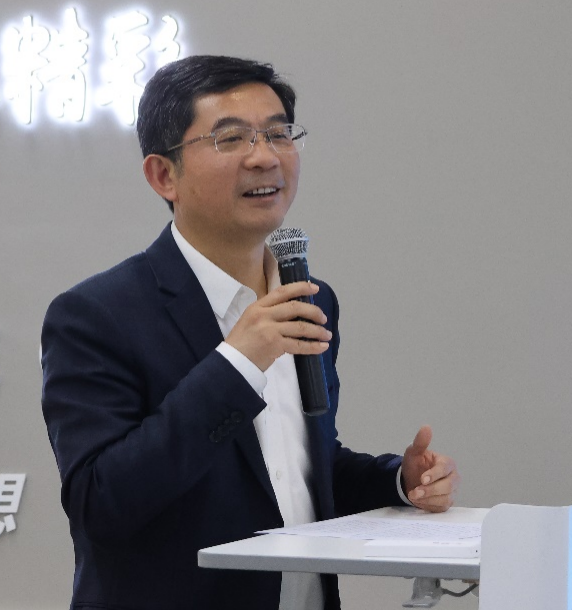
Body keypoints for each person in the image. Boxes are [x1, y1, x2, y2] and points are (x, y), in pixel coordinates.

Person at [40, 55, 460, 610]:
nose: (264, 157)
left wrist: (397, 482)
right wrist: (237, 362)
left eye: (279, 134)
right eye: (231, 138)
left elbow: (292, 470)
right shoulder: (96, 315)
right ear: (164, 175)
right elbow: (102, 503)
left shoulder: (312, 298)